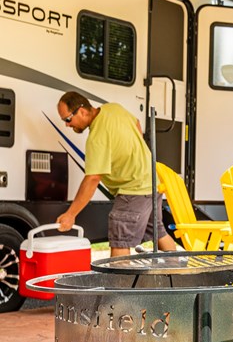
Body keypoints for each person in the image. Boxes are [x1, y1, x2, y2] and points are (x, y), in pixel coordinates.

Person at [55, 91, 176, 257]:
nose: (67, 125)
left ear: (82, 111)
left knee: (120, 240)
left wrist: (71, 214)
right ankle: (178, 274)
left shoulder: (97, 138)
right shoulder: (113, 109)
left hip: (132, 191)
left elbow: (92, 178)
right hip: (151, 182)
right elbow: (137, 124)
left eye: (67, 119)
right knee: (158, 231)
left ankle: (118, 283)